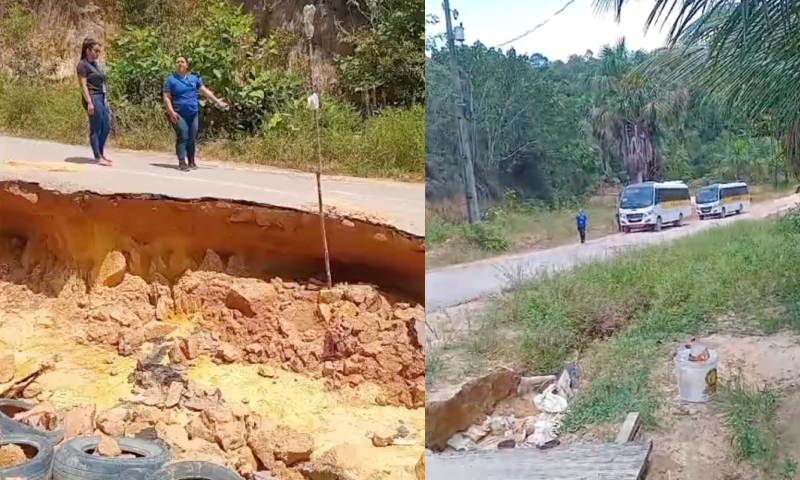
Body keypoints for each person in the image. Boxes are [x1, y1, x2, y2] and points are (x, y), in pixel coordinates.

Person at [162, 56, 228, 171]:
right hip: (178, 113)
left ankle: (191, 161)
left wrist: (217, 101)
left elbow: (205, 91)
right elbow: (166, 97)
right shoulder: (171, 80)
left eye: (182, 62)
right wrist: (171, 112)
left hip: (193, 113)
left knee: (191, 138)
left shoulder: (193, 79)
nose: (180, 64)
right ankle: (182, 162)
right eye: (177, 62)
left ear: (187, 65)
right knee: (183, 134)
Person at [76, 38, 112, 167]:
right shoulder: (82, 65)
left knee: (106, 126)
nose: (98, 53)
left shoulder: (96, 65)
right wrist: (89, 102)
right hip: (92, 97)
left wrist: (105, 98)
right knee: (96, 127)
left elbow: (103, 83)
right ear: (87, 51)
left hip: (101, 97)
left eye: (99, 51)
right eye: (96, 50)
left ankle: (101, 153)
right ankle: (98, 156)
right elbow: (83, 85)